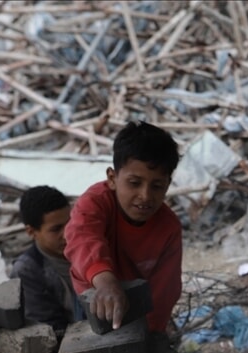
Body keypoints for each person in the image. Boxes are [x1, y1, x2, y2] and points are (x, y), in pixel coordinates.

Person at [64, 121, 182, 334]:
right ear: (112, 178)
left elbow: (165, 290)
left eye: (157, 186)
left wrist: (153, 333)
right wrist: (106, 283)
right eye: (134, 183)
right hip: (92, 297)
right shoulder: (95, 203)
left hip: (139, 307)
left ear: (167, 185)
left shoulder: (169, 228)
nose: (145, 196)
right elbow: (82, 239)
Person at [11, 185, 82, 335]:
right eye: (56, 229)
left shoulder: (87, 244)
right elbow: (49, 330)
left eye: (69, 223)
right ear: (31, 232)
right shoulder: (28, 270)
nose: (67, 234)